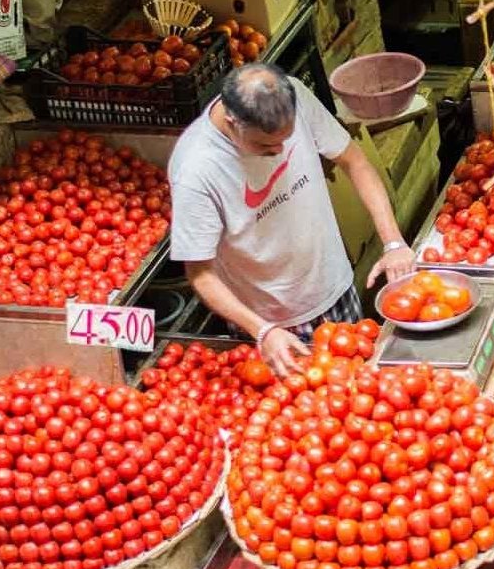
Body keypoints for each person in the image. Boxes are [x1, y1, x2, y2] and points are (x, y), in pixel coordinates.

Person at [167, 63, 416, 376]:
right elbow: (200, 274)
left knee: (359, 390)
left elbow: (355, 161)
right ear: (232, 121)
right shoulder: (196, 170)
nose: (280, 151)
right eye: (265, 145)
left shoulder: (295, 93)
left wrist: (393, 242)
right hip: (270, 323)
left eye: (286, 139)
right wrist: (262, 331)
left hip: (336, 289)